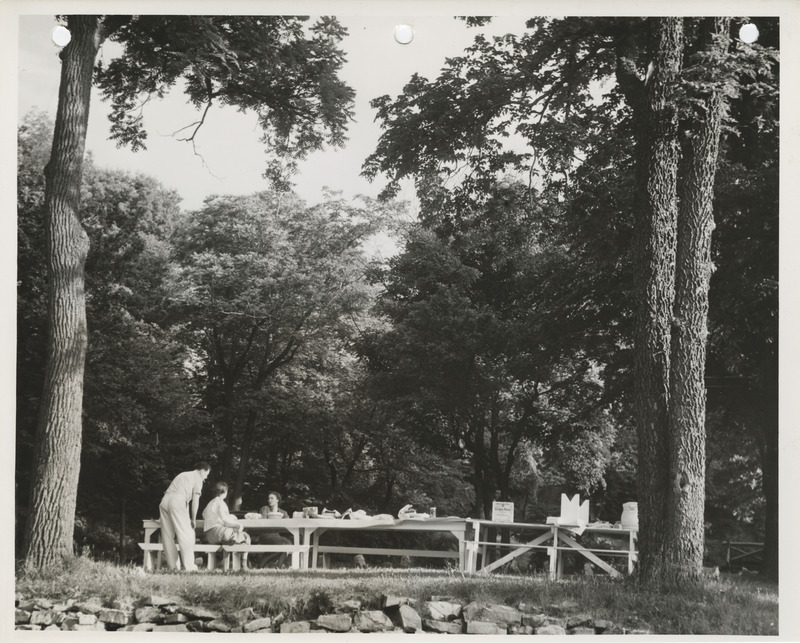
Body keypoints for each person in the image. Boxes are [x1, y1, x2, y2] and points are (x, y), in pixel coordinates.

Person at [159, 461, 211, 572]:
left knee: (167, 537)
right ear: (202, 471)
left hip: (164, 501)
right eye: (206, 475)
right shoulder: (197, 479)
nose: (205, 478)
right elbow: (195, 501)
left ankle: (173, 567)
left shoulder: (183, 474)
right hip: (177, 501)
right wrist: (193, 519)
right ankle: (190, 567)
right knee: (186, 534)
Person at [203, 481, 251, 569]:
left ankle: (224, 562)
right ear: (225, 492)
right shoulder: (221, 503)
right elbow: (225, 520)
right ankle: (244, 564)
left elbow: (203, 514)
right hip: (220, 533)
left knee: (233, 539)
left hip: (209, 536)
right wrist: (237, 525)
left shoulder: (210, 503)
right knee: (246, 536)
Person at [256, 491, 291, 568]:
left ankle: (278, 566)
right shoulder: (265, 509)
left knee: (288, 543)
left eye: (272, 498)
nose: (269, 500)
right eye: (268, 498)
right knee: (281, 543)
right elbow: (263, 522)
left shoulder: (283, 512)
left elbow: (289, 523)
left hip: (276, 535)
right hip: (265, 535)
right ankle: (262, 564)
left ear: (277, 500)